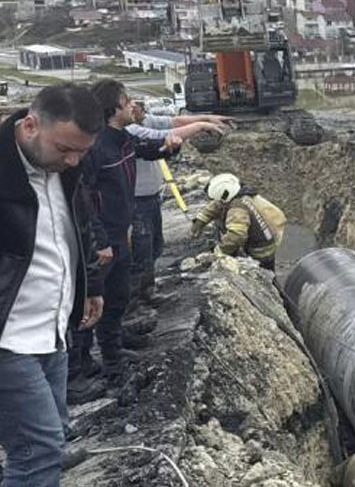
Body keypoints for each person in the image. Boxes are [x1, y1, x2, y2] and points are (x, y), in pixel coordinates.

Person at [1, 84, 124, 487]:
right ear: (31, 125)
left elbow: (74, 229)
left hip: (51, 329)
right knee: (36, 451)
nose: (73, 161)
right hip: (7, 339)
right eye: (66, 149)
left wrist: (90, 286)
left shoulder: (63, 167)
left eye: (82, 153)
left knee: (51, 442)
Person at [71, 80, 178, 388]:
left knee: (117, 297)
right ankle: (79, 369)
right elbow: (83, 199)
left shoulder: (123, 139)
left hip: (121, 232)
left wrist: (169, 147)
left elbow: (148, 151)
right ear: (113, 108)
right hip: (102, 240)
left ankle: (113, 354)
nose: (133, 104)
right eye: (126, 100)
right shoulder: (96, 148)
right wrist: (100, 241)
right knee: (91, 302)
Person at [126, 106, 230, 299]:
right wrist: (200, 125)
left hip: (150, 197)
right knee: (141, 250)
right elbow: (167, 134)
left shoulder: (143, 121)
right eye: (129, 104)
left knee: (154, 246)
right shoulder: (130, 131)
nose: (136, 107)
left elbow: (174, 122)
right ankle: (134, 302)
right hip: (136, 201)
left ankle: (148, 291)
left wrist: (206, 117)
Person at [190, 173, 287, 270]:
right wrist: (199, 222)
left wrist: (219, 251)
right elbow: (216, 205)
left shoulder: (237, 209)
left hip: (263, 245)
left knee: (264, 267)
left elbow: (237, 235)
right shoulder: (239, 192)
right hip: (270, 230)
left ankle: (269, 276)